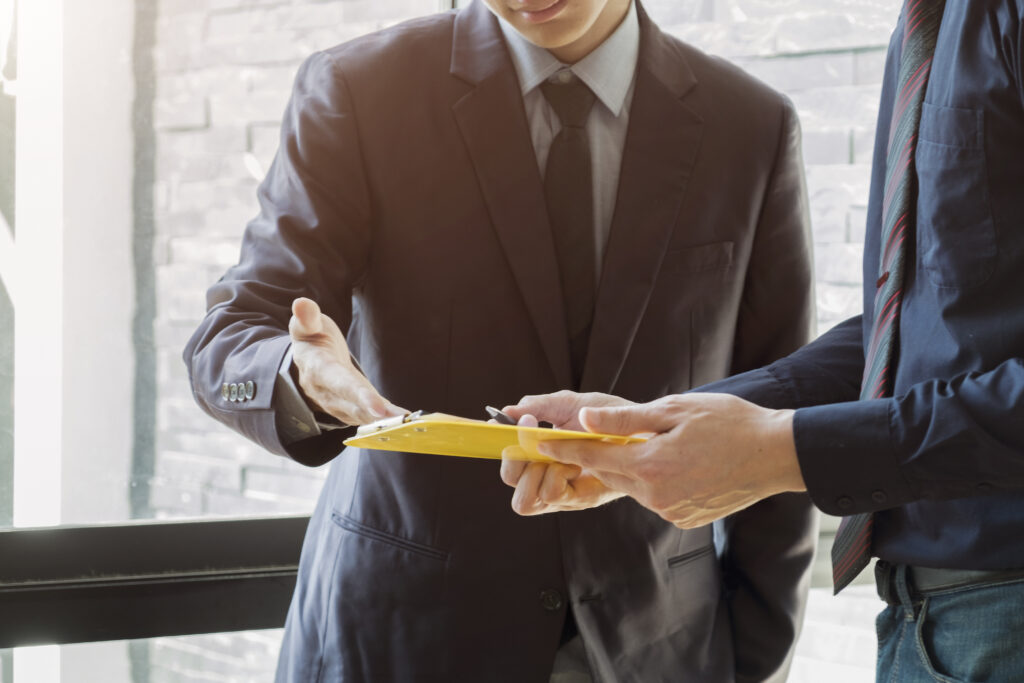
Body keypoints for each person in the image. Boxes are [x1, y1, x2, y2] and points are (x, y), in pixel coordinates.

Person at [184, 0, 819, 680]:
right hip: (399, 643)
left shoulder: (751, 125)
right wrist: (297, 372)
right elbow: (233, 330)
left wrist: (754, 661)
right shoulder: (361, 91)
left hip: (662, 649)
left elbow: (781, 407)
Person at [501, 1, 1024, 680]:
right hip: (929, 622)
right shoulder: (935, 19)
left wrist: (784, 452)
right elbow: (915, 330)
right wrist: (658, 428)